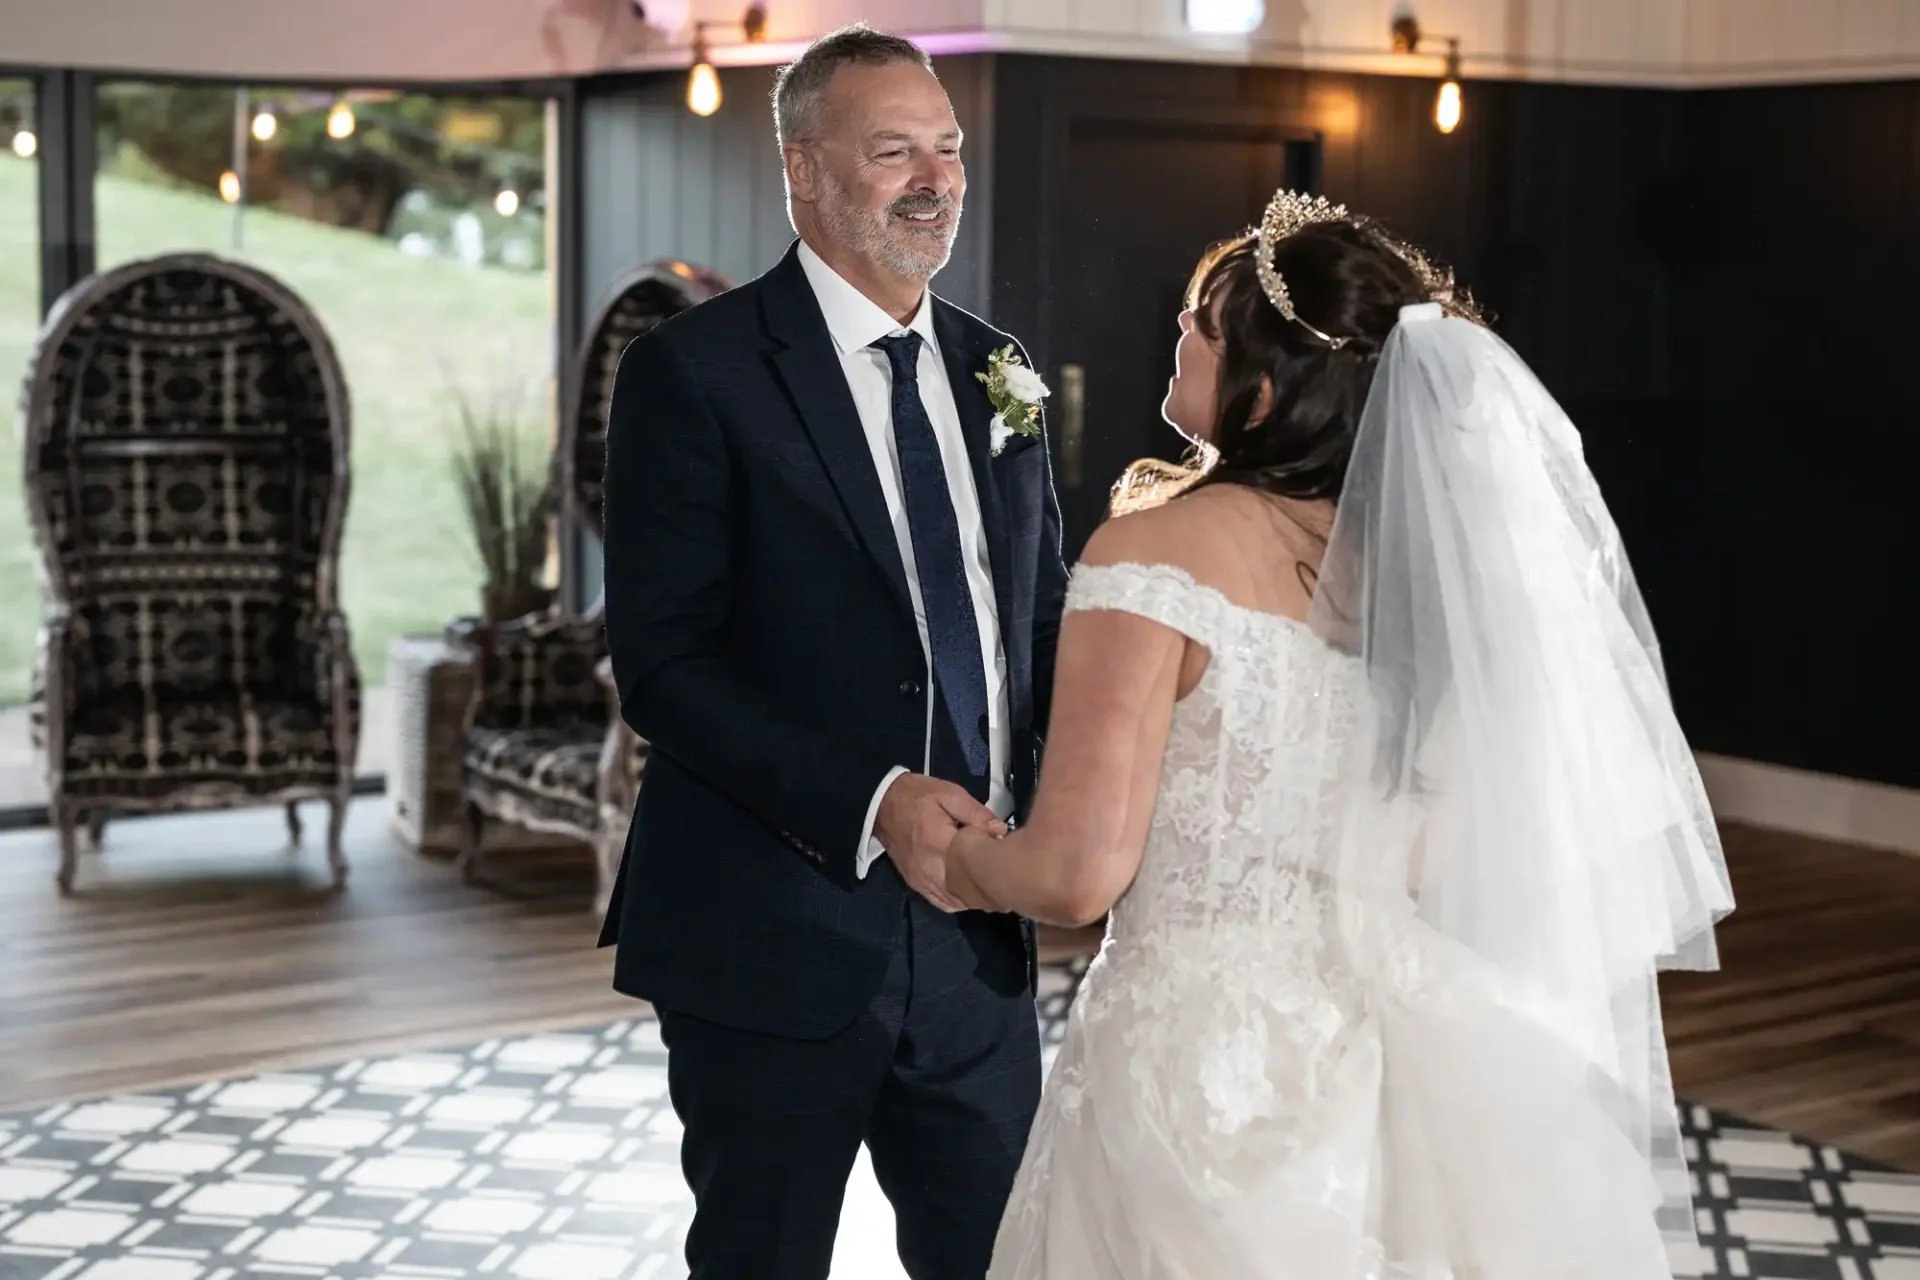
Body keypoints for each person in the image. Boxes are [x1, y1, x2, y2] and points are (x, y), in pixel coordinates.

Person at [940, 192, 1736, 1277]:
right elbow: (1437, 859)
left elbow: (1077, 874)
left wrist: (952, 849)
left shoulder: (1152, 557)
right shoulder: (1437, 585)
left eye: (1199, 325)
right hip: (1387, 1054)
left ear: (1263, 391)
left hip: (1191, 1062)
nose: (1174, 333)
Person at [595, 22, 1069, 1280]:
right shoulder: (692, 375)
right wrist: (876, 802)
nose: (936, 179)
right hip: (771, 931)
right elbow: (664, 663)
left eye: (950, 149)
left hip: (978, 939)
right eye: (893, 150)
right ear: (803, 171)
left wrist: (1077, 810)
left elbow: (1032, 624)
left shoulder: (999, 372)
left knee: (1002, 1259)